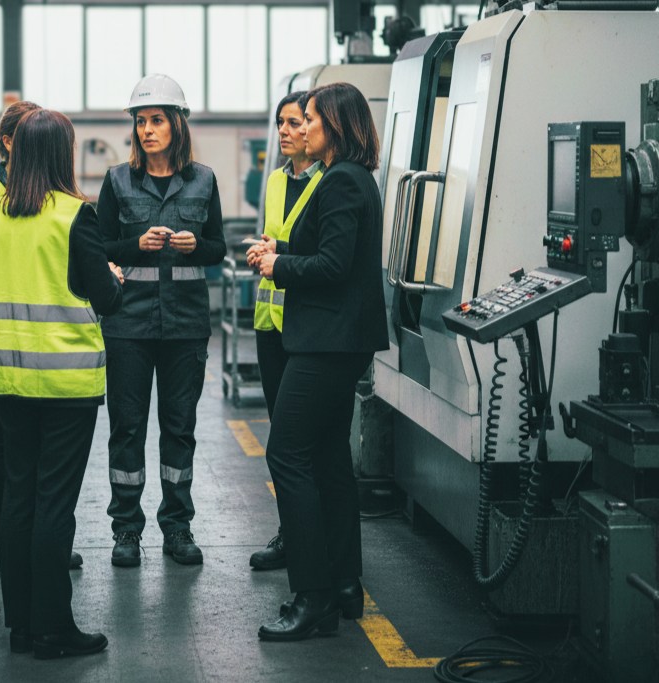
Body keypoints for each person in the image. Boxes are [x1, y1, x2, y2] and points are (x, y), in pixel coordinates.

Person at [0, 108, 122, 659]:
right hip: (66, 385)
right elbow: (104, 298)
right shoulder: (73, 216)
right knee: (54, 505)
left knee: (18, 500)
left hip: (9, 380)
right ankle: (53, 629)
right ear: (62, 154)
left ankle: (21, 627)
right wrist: (112, 277)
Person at [251, 82, 388, 641]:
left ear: (335, 123)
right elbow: (334, 255)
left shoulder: (340, 183)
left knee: (286, 454)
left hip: (327, 341)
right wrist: (281, 252)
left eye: (309, 119)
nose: (302, 127)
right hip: (336, 338)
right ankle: (344, 583)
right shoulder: (348, 180)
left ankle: (312, 598)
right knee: (329, 457)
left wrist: (275, 267)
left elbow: (332, 265)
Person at [97, 74, 226, 567]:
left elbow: (216, 247)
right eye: (140, 121)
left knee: (179, 428)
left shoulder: (204, 180)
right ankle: (126, 530)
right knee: (127, 429)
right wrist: (135, 246)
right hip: (128, 327)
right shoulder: (116, 181)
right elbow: (101, 247)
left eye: (155, 120)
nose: (146, 130)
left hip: (185, 326)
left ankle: (178, 527)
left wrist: (200, 246)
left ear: (176, 124)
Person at [0, 100, 84, 575]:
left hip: (17, 357)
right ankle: (10, 546)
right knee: (13, 462)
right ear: (10, 143)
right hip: (21, 355)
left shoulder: (4, 208)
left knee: (28, 480)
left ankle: (27, 565)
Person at [247, 91, 324, 572]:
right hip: (270, 320)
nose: (285, 132)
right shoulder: (276, 180)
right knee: (282, 434)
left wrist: (281, 252)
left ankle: (310, 539)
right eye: (281, 123)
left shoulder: (329, 182)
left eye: (295, 122)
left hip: (310, 326)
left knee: (301, 442)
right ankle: (289, 532)